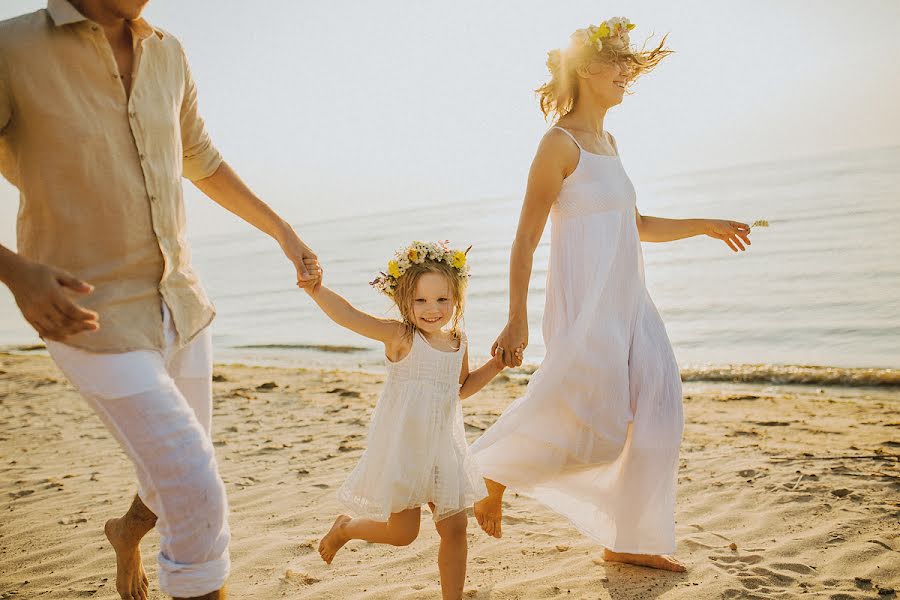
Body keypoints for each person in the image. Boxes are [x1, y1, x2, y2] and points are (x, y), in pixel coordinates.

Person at [0, 1, 321, 598]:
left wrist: (283, 232)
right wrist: (16, 272)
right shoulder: (12, 49)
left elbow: (202, 160)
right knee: (194, 483)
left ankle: (126, 532)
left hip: (183, 305)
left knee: (170, 470)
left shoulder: (168, 52)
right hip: (84, 315)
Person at [470, 17, 752, 573]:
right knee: (595, 422)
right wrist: (515, 319)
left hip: (632, 305)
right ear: (586, 68)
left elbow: (635, 223)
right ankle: (492, 471)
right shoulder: (558, 143)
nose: (628, 73)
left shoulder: (609, 141)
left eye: (629, 63)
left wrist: (705, 224)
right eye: (618, 63)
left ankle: (630, 539)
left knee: (660, 410)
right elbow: (526, 236)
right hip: (588, 305)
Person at [309, 241, 508, 600]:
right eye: (421, 301)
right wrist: (318, 290)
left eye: (442, 300)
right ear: (404, 301)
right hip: (405, 450)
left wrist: (496, 365)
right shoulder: (401, 337)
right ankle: (345, 529)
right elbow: (351, 317)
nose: (432, 310)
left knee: (456, 528)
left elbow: (459, 389)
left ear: (456, 299)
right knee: (403, 534)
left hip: (443, 449)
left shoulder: (458, 341)